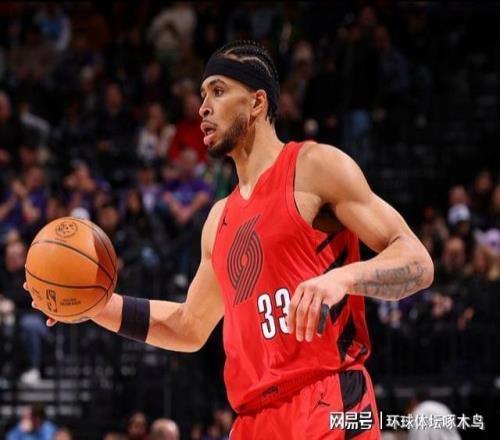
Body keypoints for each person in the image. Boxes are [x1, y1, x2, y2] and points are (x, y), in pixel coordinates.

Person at [27, 40, 434, 439]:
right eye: (203, 94)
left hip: (327, 399)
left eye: (218, 91)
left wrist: (342, 279)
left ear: (257, 102)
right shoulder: (218, 218)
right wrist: (95, 305)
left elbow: (417, 261)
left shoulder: (314, 167)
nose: (203, 107)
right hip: (253, 418)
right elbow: (189, 327)